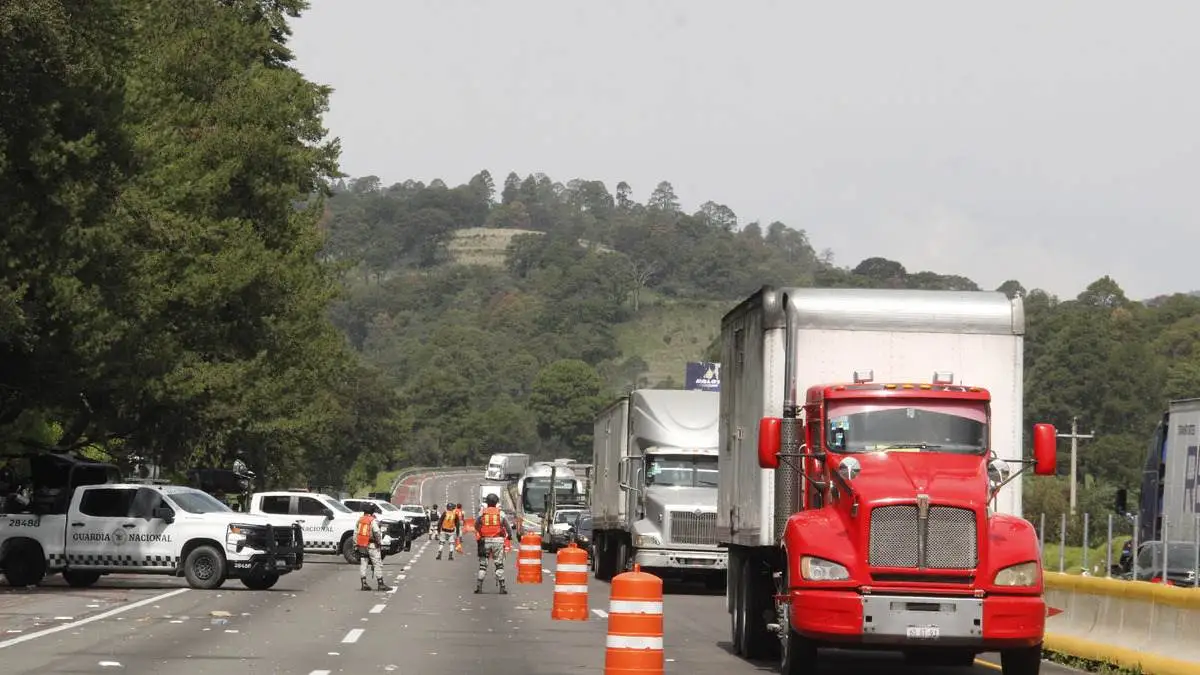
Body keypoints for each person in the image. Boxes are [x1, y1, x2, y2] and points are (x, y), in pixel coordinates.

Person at [474, 493, 513, 594]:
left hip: (484, 540)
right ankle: (502, 587)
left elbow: (476, 524)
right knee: (499, 564)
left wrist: (481, 532)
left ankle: (479, 586)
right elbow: (507, 526)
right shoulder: (501, 513)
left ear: (487, 502)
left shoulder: (482, 512)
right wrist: (509, 535)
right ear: (496, 503)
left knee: (483, 564)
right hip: (498, 541)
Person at [356, 503, 392, 591]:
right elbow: (376, 532)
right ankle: (380, 584)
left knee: (363, 563)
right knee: (377, 563)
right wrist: (379, 541)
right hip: (372, 545)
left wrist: (355, 545)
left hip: (362, 545)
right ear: (372, 511)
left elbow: (355, 533)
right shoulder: (372, 520)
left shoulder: (360, 520)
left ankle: (363, 583)